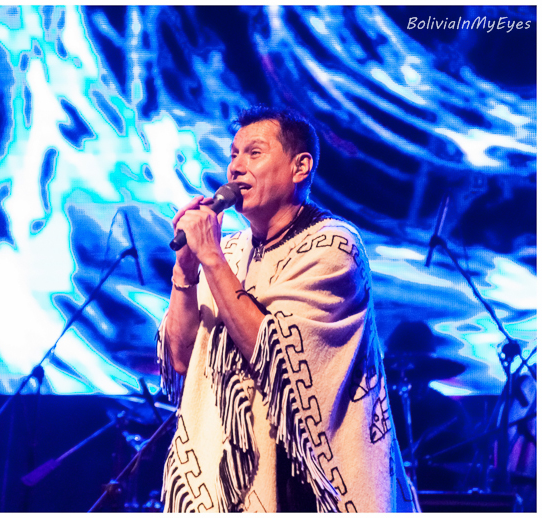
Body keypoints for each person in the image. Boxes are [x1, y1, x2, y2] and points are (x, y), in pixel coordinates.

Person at [157, 106, 419, 512]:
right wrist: (186, 272)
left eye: (254, 153)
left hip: (309, 488)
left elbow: (274, 353)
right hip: (227, 487)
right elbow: (179, 357)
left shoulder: (333, 246)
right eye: (233, 154)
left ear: (301, 167)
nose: (236, 168)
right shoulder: (229, 251)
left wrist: (209, 258)